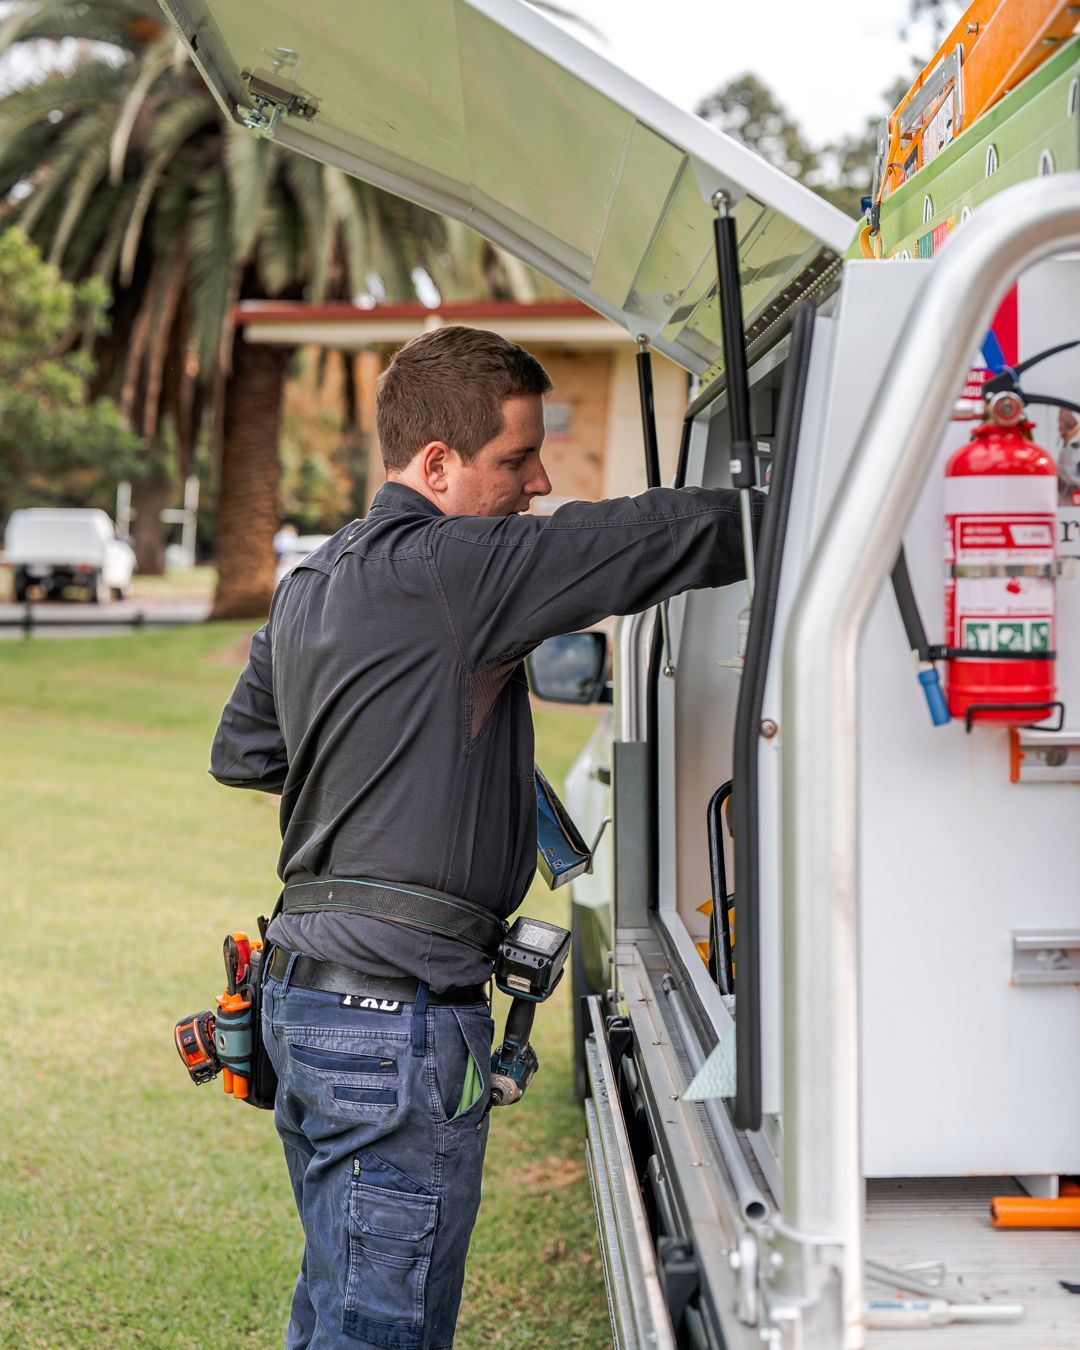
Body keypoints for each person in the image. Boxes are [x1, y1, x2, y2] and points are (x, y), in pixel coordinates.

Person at [210, 325, 753, 1349]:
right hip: (391, 1027)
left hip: (306, 1002)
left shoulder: (309, 583)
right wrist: (811, 491)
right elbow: (640, 536)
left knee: (339, 1305)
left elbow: (246, 754)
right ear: (437, 465)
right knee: (380, 1329)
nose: (541, 481)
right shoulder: (457, 569)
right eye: (516, 459)